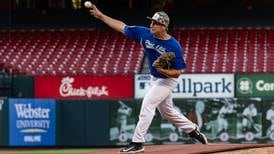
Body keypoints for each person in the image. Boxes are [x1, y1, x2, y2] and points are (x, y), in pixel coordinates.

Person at [89, 4, 208, 153]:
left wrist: (162, 69)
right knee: (167, 112)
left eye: (155, 23)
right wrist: (101, 16)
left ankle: (137, 143)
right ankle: (193, 130)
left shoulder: (174, 46)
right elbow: (122, 26)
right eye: (151, 22)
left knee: (147, 104)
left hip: (167, 79)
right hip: (154, 78)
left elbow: (177, 72)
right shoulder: (144, 33)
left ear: (164, 26)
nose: (151, 25)